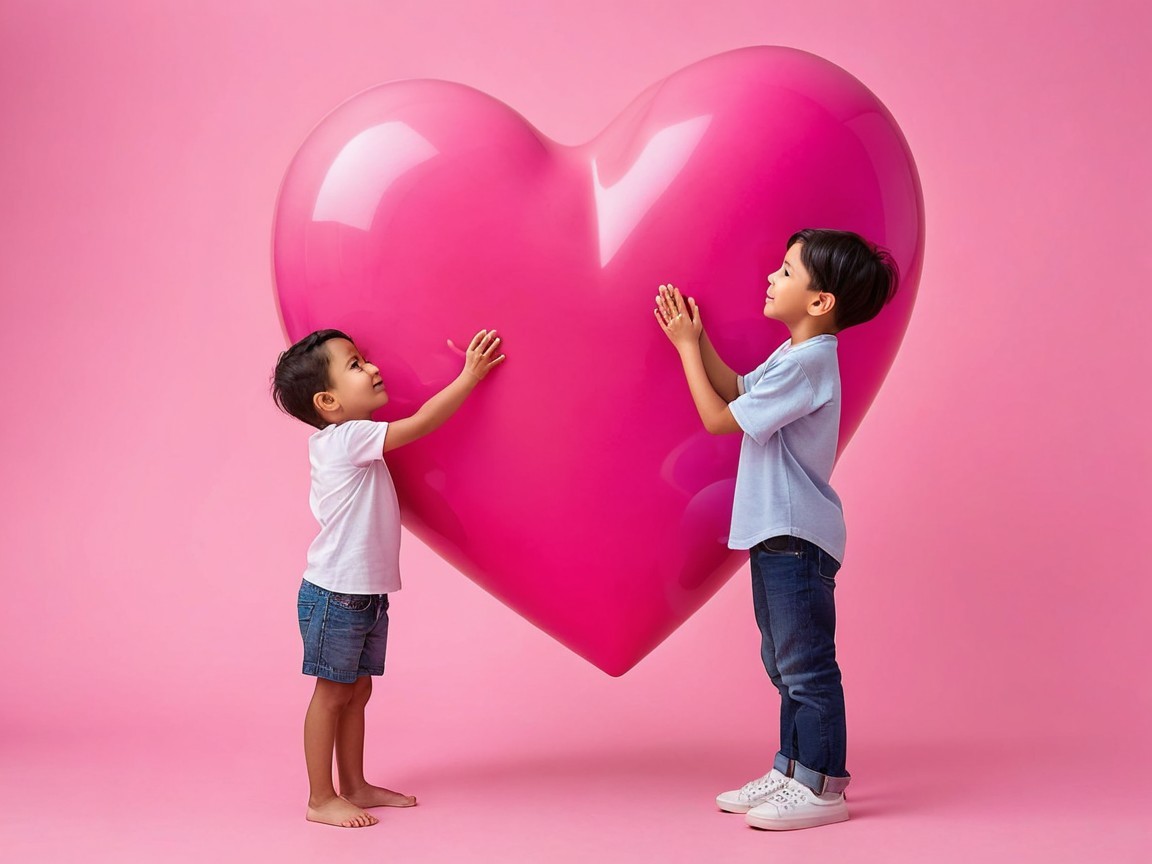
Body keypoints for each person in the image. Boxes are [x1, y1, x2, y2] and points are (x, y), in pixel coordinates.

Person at [653, 228, 897, 830]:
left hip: (795, 534)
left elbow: (717, 419)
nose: (771, 278)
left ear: (820, 302)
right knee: (782, 659)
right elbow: (738, 389)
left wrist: (685, 347)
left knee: (806, 663)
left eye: (786, 271)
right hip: (776, 532)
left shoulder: (811, 362)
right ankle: (791, 769)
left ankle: (822, 785)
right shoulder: (794, 355)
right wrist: (698, 335)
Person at [271, 327, 505, 828]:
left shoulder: (348, 440)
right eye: (356, 365)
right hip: (337, 595)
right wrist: (470, 377)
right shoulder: (347, 438)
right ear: (328, 401)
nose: (373, 368)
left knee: (356, 692)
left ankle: (354, 784)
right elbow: (420, 423)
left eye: (365, 359)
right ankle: (320, 798)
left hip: (362, 595)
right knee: (332, 693)